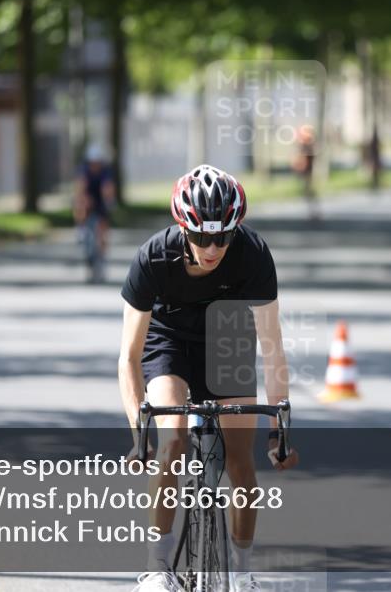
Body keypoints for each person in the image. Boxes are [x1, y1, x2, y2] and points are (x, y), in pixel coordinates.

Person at [119, 164, 299, 592]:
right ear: (183, 229)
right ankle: (157, 566)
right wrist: (138, 432)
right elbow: (128, 357)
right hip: (169, 342)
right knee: (172, 442)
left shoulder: (253, 254)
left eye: (222, 236)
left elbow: (272, 346)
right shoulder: (152, 258)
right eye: (201, 237)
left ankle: (241, 573)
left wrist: (279, 432)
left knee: (241, 459)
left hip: (228, 337)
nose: (212, 247)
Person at [73, 143, 116, 282]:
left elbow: (107, 188)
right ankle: (80, 228)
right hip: (89, 199)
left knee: (102, 230)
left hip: (100, 202)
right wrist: (82, 200)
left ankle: (102, 261)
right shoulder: (84, 171)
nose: (94, 165)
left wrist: (109, 202)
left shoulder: (105, 171)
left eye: (97, 162)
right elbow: (81, 187)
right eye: (92, 162)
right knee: (82, 202)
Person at [292, 125, 319, 220]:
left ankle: (314, 212)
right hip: (305, 171)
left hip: (307, 171)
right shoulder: (305, 145)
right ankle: (313, 212)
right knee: (308, 191)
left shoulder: (308, 146)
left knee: (309, 191)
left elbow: (305, 159)